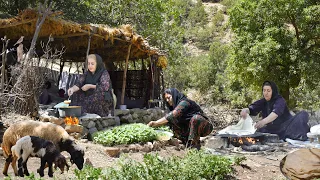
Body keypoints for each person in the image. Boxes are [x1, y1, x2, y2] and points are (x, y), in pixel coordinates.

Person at [240, 81, 310, 141]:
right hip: (273, 129)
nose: (266, 93)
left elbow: (275, 113)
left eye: (268, 91)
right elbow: (252, 108)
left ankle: (296, 135)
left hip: (287, 126)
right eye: (264, 90)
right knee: (259, 132)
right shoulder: (263, 101)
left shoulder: (280, 100)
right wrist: (245, 110)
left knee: (303, 114)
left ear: (273, 91)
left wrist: (263, 122)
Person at [147, 88, 213, 149]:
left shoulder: (185, 102)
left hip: (205, 127)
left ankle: (194, 146)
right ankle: (184, 141)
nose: (167, 100)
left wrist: (155, 123)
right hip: (190, 127)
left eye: (169, 98)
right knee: (174, 121)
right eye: (166, 99)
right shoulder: (173, 108)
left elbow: (173, 115)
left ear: (174, 95)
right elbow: (170, 119)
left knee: (195, 118)